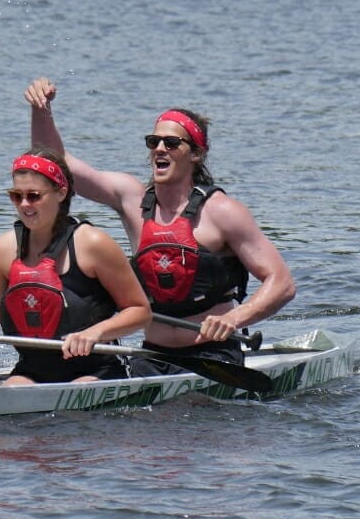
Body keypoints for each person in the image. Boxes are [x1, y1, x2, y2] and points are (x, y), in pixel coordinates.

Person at [24, 77, 296, 374]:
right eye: (154, 142)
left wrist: (234, 319)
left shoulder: (222, 212)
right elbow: (55, 163)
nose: (160, 149)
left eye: (172, 143)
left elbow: (281, 283)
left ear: (196, 154)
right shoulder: (131, 199)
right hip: (152, 356)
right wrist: (42, 109)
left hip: (214, 357)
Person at [0, 150, 150, 395]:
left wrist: (95, 332)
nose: (24, 204)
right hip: (30, 372)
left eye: (34, 196)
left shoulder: (93, 244)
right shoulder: (2, 250)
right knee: (9, 411)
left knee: (76, 396)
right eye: (16, 196)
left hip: (96, 371)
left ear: (61, 194)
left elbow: (140, 311)